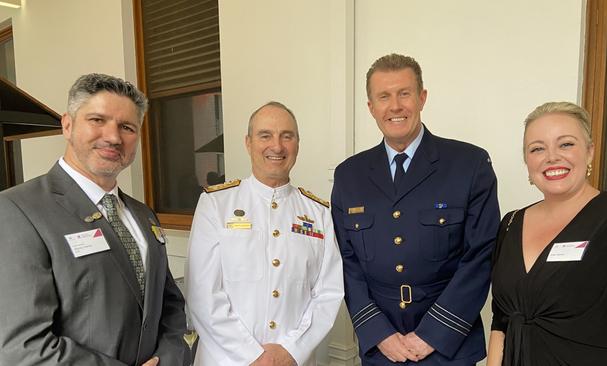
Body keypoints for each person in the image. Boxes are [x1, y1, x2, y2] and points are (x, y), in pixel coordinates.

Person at [0, 73, 188, 365]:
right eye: (98, 120)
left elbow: (169, 303)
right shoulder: (17, 210)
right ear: (67, 125)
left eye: (127, 127)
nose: (113, 137)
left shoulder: (142, 214)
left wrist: (170, 357)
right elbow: (22, 347)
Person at [331, 53, 500, 365]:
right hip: (381, 347)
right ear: (371, 107)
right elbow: (346, 262)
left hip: (449, 346)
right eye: (384, 96)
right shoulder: (348, 175)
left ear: (422, 98)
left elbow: (481, 256)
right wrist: (378, 333)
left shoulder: (469, 164)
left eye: (404, 93)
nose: (395, 106)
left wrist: (433, 334)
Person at [487, 102, 607, 366]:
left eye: (565, 144)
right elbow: (501, 319)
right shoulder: (511, 223)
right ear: (527, 161)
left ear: (590, 152)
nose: (552, 157)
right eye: (537, 148)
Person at [186, 101, 344, 365]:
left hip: (294, 361)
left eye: (287, 136)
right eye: (265, 135)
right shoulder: (216, 204)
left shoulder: (318, 212)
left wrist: (291, 350)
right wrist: (252, 355)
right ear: (248, 143)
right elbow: (202, 293)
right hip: (227, 359)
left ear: (297, 144)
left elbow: (329, 292)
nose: (277, 146)